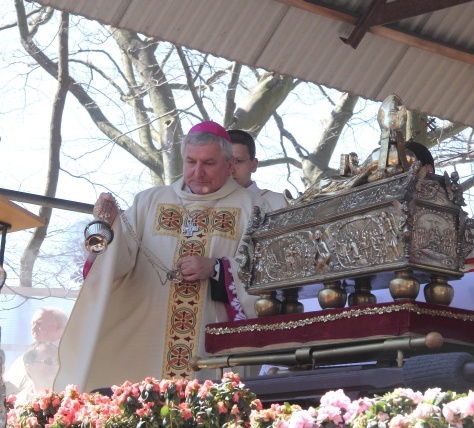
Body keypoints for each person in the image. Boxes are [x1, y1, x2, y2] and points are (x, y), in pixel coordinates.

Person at [54, 121, 271, 392]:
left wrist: (216, 268)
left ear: (229, 165)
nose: (197, 172)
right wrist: (109, 229)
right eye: (190, 162)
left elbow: (265, 273)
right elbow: (116, 265)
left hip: (212, 337)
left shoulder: (253, 207)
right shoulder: (149, 202)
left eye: (209, 163)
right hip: (150, 340)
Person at [4, 307, 67, 393]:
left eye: (39, 324)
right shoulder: (21, 360)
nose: (33, 329)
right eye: (32, 324)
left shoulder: (73, 356)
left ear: (58, 327)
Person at [227, 129, 287, 210]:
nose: (231, 170)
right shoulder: (208, 206)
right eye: (225, 162)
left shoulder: (278, 203)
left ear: (254, 165)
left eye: (238, 161)